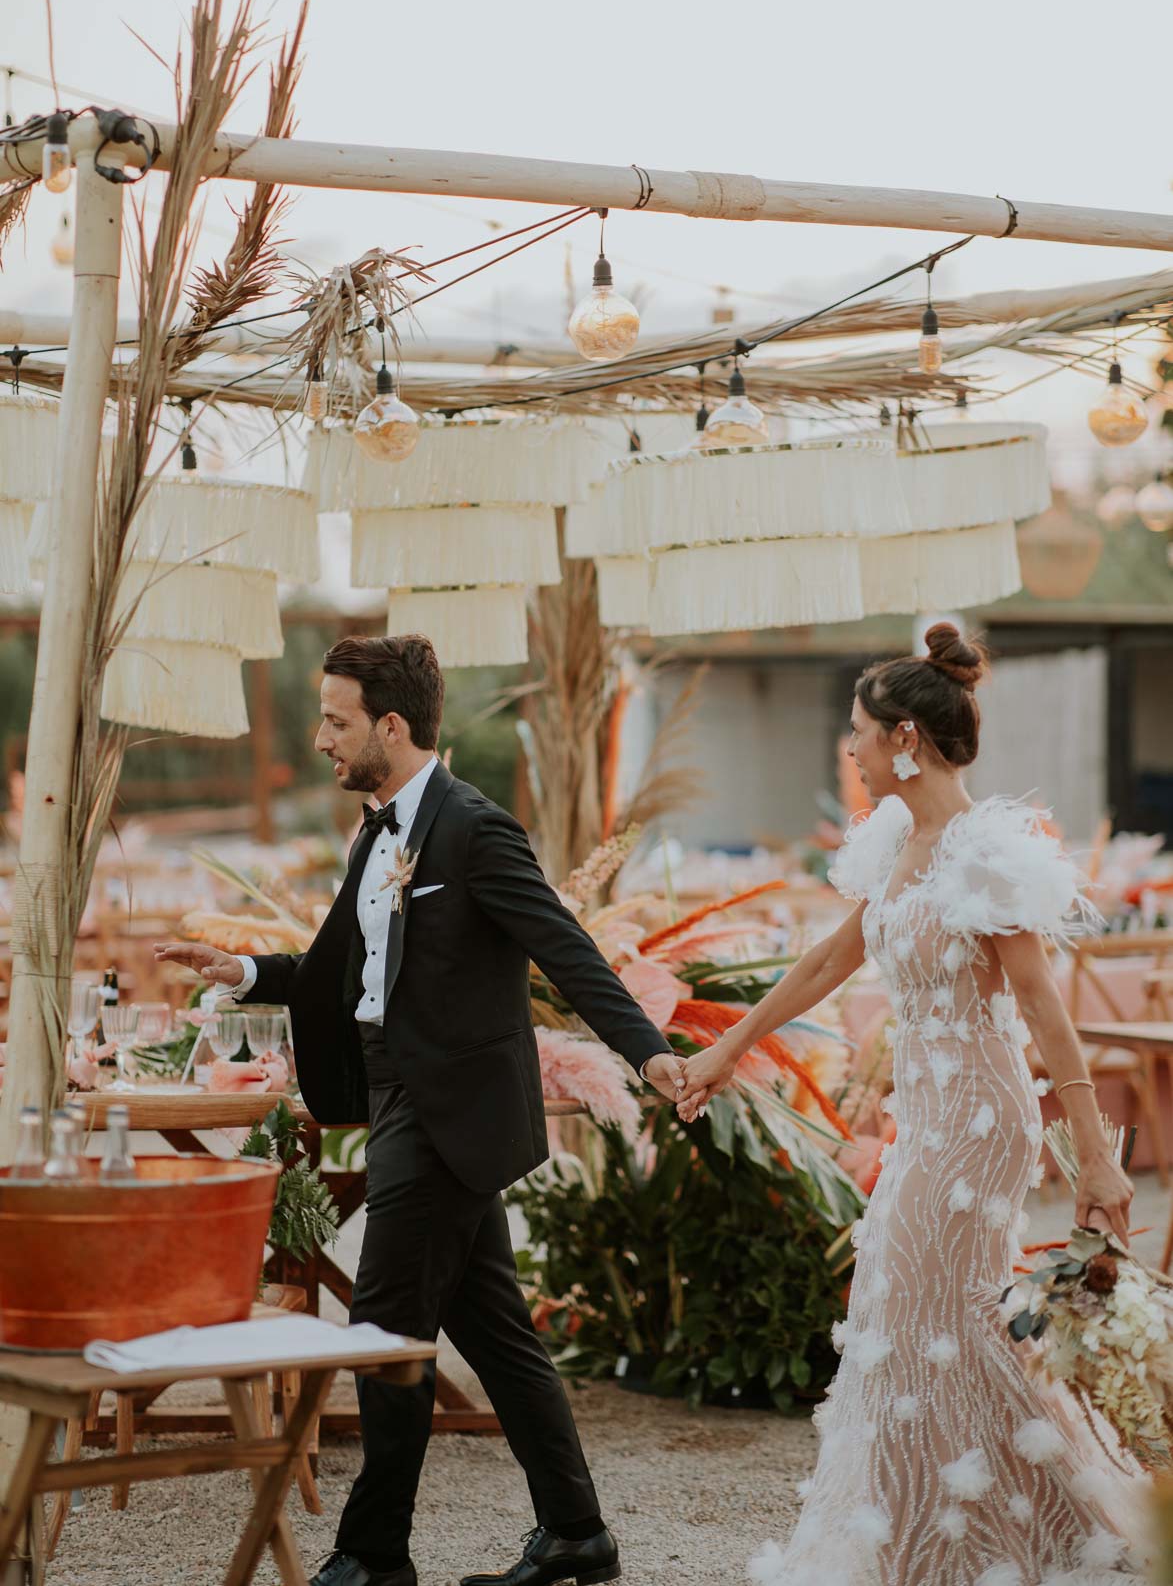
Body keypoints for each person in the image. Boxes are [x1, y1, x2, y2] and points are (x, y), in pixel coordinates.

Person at [157, 634, 686, 1586]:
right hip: (400, 1098)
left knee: (385, 1324)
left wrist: (647, 1052)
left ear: (390, 726)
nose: (320, 737)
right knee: (492, 1327)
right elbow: (341, 972)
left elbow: (566, 951)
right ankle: (576, 1531)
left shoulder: (474, 830)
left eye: (336, 719)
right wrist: (241, 971)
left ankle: (372, 1555)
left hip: (447, 1112)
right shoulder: (378, 828)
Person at [677, 623, 1145, 1586]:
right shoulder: (893, 839)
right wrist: (726, 1047)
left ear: (903, 739)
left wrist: (1094, 1157)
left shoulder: (984, 851)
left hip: (981, 1122)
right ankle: (926, 1537)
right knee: (909, 1319)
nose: (845, 749)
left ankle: (1057, 1532)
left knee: (952, 1319)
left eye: (855, 731)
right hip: (924, 1118)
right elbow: (825, 961)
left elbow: (1045, 1013)